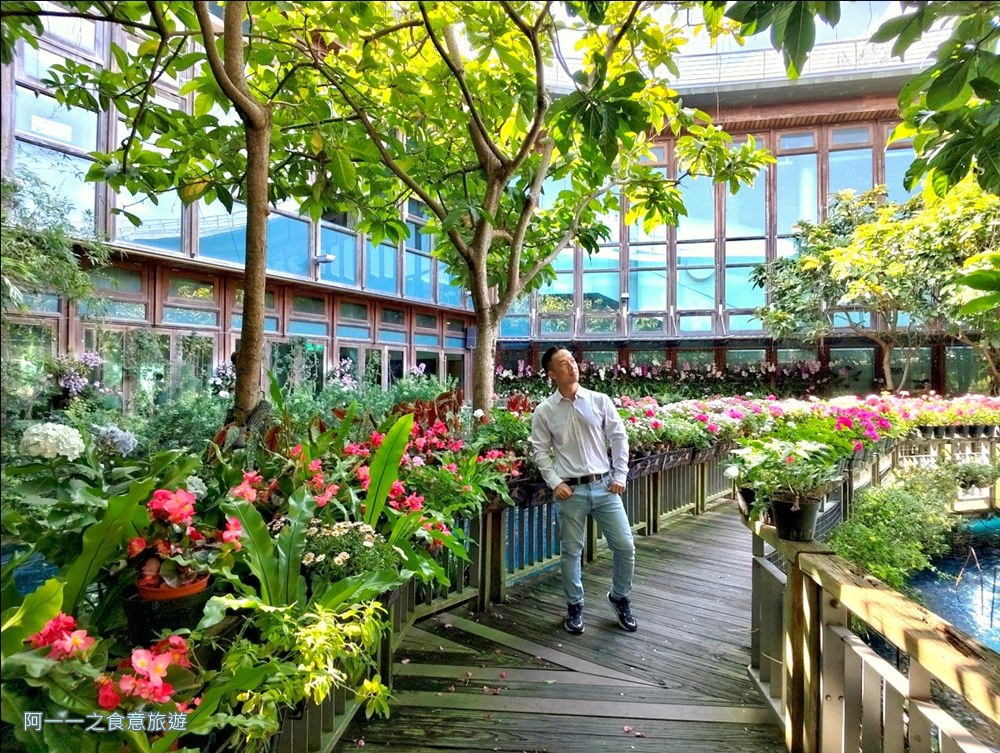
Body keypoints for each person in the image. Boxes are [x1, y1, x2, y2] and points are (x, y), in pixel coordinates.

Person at [530, 346, 637, 635]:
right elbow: (540, 451)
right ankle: (574, 605)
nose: (572, 366)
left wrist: (620, 473)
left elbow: (619, 437)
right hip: (571, 492)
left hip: (605, 486)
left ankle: (620, 597)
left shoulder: (599, 401)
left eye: (573, 361)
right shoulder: (545, 411)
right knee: (571, 552)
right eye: (563, 364)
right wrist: (555, 482)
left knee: (625, 546)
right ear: (552, 374)